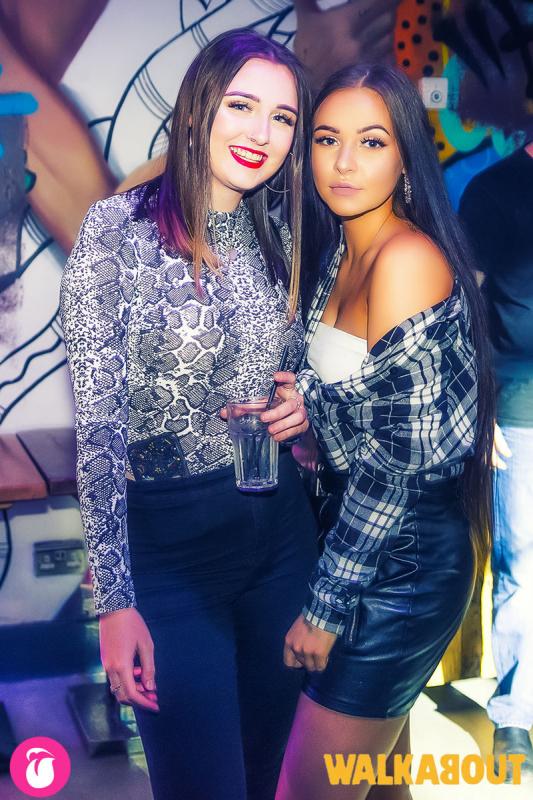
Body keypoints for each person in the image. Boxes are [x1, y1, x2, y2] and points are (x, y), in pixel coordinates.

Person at [60, 29, 318, 800]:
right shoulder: (116, 231)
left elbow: (297, 367)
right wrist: (115, 602)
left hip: (280, 539)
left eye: (282, 118)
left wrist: (301, 404)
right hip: (170, 553)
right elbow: (98, 430)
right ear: (200, 107)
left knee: (268, 778)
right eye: (242, 106)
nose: (260, 132)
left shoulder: (282, 231)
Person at [276, 63, 494, 800]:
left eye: (370, 142)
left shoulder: (404, 259)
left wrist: (323, 608)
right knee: (379, 787)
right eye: (326, 139)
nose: (343, 162)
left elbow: (394, 466)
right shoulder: (341, 250)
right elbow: (361, 406)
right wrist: (307, 412)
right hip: (357, 536)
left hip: (402, 562)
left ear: (405, 156)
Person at [460, 142, 533, 782]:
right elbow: (468, 309)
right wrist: (479, 411)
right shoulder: (493, 191)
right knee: (524, 565)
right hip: (519, 407)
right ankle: (515, 714)